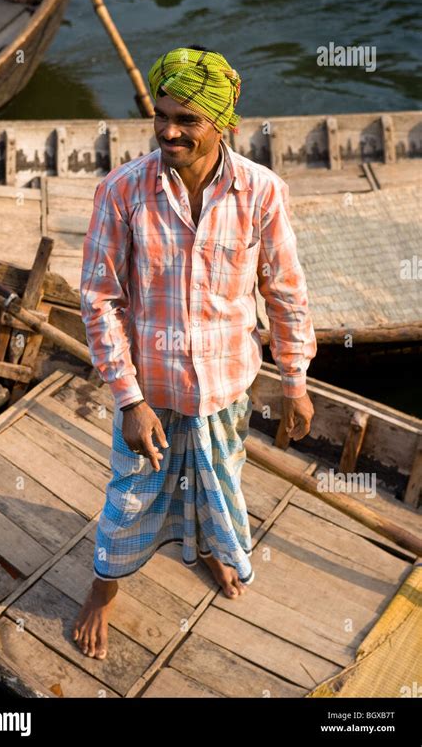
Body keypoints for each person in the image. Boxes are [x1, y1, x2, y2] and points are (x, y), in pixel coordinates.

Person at [74, 44, 317, 659]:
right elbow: (100, 301)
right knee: (130, 496)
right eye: (161, 116)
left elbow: (284, 290)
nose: (169, 131)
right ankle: (103, 588)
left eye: (187, 120)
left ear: (224, 125)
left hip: (227, 386)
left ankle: (209, 551)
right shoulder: (122, 192)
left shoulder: (262, 193)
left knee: (218, 480)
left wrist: (295, 379)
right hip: (150, 391)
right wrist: (128, 399)